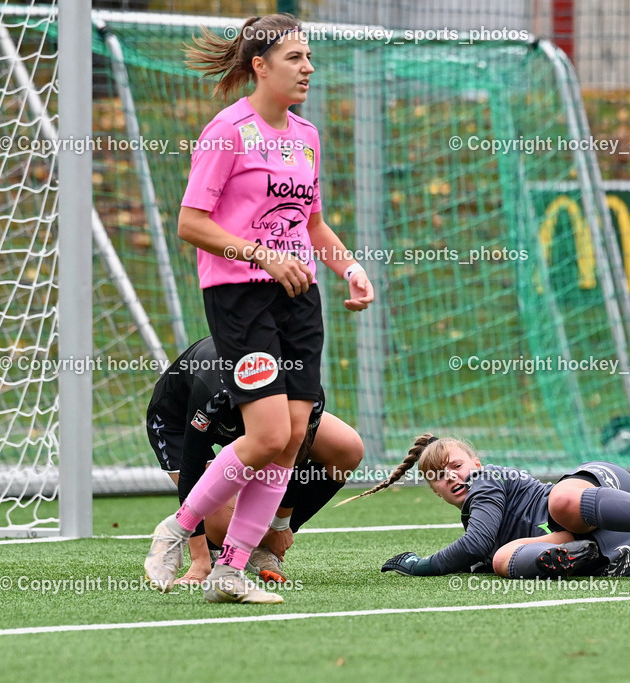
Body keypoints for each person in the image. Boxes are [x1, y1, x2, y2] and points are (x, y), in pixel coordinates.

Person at [144, 13, 374, 604]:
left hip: (299, 296)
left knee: (292, 438)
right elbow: (190, 223)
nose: (308, 68)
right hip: (240, 296)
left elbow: (312, 224)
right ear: (260, 66)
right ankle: (178, 529)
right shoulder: (227, 131)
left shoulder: (307, 135)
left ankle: (232, 572)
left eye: (309, 57)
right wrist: (261, 254)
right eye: (295, 57)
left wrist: (349, 268)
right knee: (267, 434)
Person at [147, 336, 364, 584]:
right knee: (223, 526)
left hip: (252, 414)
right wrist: (200, 561)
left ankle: (262, 544)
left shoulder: (308, 396)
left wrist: (280, 526)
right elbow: (191, 469)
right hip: (178, 423)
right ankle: (217, 550)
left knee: (347, 448)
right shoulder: (216, 391)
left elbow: (294, 461)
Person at [338, 435, 630, 579]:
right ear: (435, 491)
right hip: (619, 555)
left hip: (619, 500)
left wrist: (420, 565)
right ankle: (583, 558)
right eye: (437, 476)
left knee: (560, 501)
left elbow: (474, 545)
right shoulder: (476, 515)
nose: (450, 477)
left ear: (477, 464)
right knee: (501, 559)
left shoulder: (486, 480)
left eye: (456, 466)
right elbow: (479, 550)